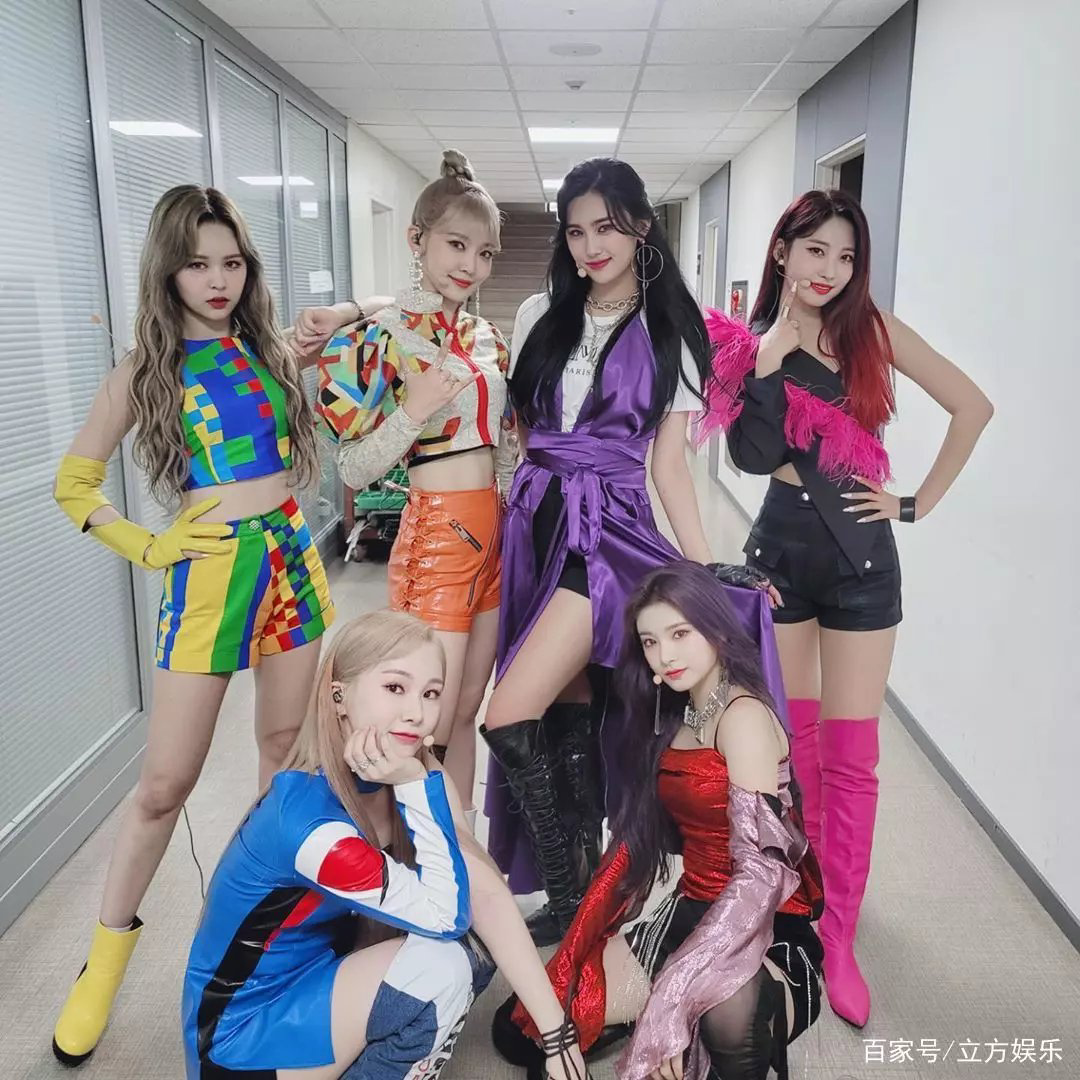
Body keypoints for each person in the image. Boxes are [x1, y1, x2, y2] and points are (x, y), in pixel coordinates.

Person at [50, 185, 382, 1065]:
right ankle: (102, 965)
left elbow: (395, 305)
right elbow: (72, 484)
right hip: (208, 571)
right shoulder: (145, 372)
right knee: (166, 784)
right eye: (197, 263)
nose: (217, 280)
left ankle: (263, 938)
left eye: (231, 262)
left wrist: (347, 308)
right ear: (168, 270)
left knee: (284, 760)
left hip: (292, 563)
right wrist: (149, 548)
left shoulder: (267, 348)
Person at [699, 189, 993, 1026]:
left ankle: (840, 934)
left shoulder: (874, 332)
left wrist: (913, 504)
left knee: (853, 756)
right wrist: (768, 356)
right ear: (782, 252)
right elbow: (751, 454)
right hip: (781, 556)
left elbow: (973, 406)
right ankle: (798, 897)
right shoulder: (748, 342)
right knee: (792, 749)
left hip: (863, 564)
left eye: (846, 255)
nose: (830, 269)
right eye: (815, 250)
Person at [184, 611, 589, 1079]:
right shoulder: (310, 824)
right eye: (395, 687)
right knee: (442, 966)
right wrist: (414, 784)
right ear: (339, 697)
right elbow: (446, 915)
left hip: (315, 986)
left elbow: (486, 896)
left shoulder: (411, 769)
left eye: (431, 693)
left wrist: (558, 1037)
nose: (416, 712)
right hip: (240, 1043)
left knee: (475, 947)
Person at [481, 156, 717, 945]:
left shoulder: (672, 332)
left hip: (607, 535)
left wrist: (703, 569)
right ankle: (581, 887)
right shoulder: (540, 313)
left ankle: (574, 904)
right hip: (535, 521)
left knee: (508, 712)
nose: (591, 246)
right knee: (565, 714)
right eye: (576, 231)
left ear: (642, 228)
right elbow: (522, 435)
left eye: (607, 228)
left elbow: (670, 466)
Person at [495, 562, 823, 1080]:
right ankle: (653, 1015)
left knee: (725, 1023)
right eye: (650, 641)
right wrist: (576, 951)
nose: (665, 655)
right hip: (687, 915)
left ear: (716, 630)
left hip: (761, 927)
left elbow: (761, 876)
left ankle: (697, 1023)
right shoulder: (676, 714)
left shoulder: (743, 718)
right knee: (521, 1031)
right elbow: (635, 845)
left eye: (680, 634)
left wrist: (675, 989)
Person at [311, 149, 515, 830]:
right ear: (416, 239)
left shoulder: (486, 336)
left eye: (485, 253)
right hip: (438, 537)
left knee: (465, 712)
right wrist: (413, 410)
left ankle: (462, 862)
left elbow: (505, 445)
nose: (471, 265)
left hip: (495, 534)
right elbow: (353, 469)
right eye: (457, 245)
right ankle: (408, 871)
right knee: (422, 730)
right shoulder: (379, 339)